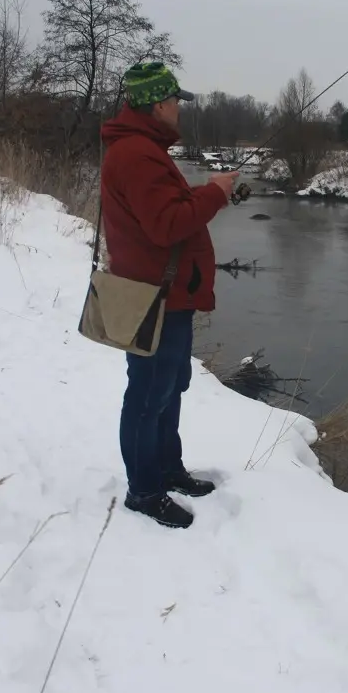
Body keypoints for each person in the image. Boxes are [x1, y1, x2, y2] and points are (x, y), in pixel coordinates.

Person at [100, 62, 238, 528]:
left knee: (168, 387)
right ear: (158, 104)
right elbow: (166, 225)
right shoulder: (138, 154)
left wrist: (206, 192)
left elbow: (163, 210)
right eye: (175, 101)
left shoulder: (142, 150)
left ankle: (166, 469)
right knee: (148, 395)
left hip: (166, 296)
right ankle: (144, 491)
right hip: (152, 299)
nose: (179, 109)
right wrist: (216, 194)